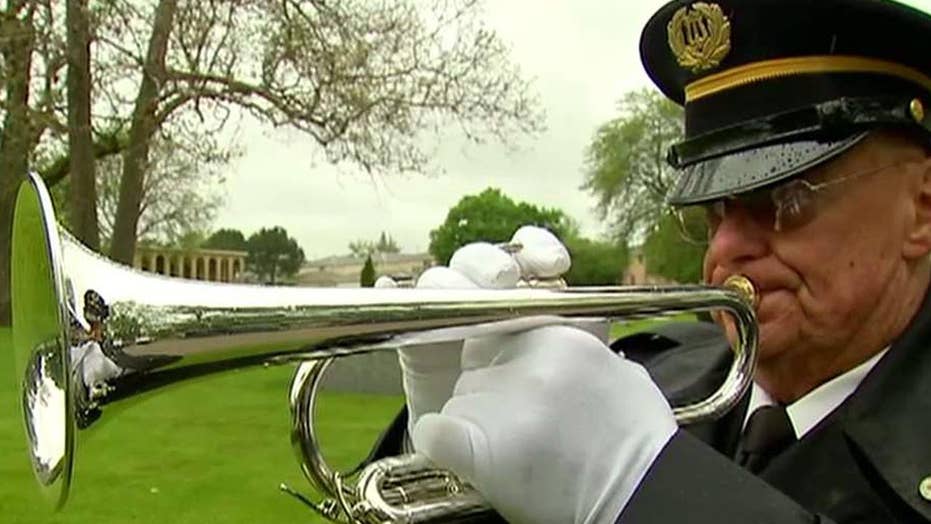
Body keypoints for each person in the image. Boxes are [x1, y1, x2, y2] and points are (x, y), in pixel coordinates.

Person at [370, 0, 931, 522]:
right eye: (711, 211)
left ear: (922, 208)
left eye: (785, 200)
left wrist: (650, 489)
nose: (724, 250)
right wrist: (452, 471)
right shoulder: (659, 376)